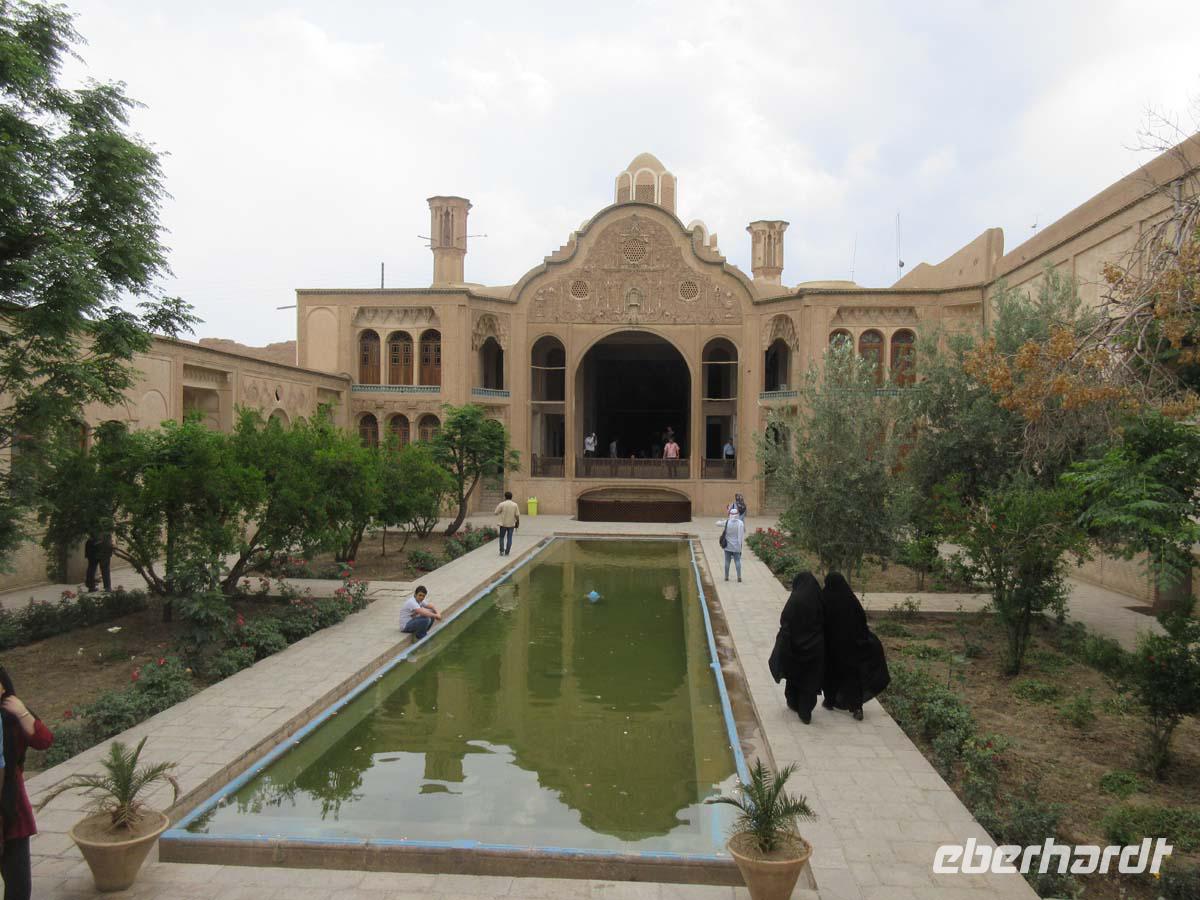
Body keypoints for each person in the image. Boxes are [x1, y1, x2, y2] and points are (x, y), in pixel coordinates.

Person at [0, 666, 54, 900]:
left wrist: (22, 713)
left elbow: (43, 740)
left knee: (19, 889)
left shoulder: (11, 717)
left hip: (13, 814)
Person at [821, 572, 889, 721]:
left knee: (831, 674)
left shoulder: (825, 598)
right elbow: (861, 623)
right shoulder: (851, 600)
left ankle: (829, 700)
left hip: (832, 648)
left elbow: (820, 621)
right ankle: (856, 707)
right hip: (851, 648)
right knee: (852, 677)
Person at [769, 573, 825, 723]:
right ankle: (805, 711)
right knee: (810, 679)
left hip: (796, 646)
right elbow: (826, 621)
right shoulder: (819, 599)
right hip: (815, 647)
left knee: (795, 675)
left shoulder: (795, 600)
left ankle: (793, 702)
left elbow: (785, 619)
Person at [718, 508, 745, 582]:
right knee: (737, 561)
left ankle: (726, 577)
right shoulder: (740, 523)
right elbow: (741, 535)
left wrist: (722, 520)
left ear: (730, 514)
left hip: (727, 546)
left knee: (727, 561)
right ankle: (739, 577)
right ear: (737, 514)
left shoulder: (727, 522)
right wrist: (740, 546)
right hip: (737, 546)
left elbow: (717, 523)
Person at [494, 491, 520, 557]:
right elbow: (517, 515)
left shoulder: (502, 504)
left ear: (505, 497)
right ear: (511, 497)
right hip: (511, 524)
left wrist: (501, 512)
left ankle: (502, 551)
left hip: (503, 524)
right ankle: (507, 552)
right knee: (509, 538)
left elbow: (496, 513)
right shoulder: (515, 505)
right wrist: (517, 521)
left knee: (502, 537)